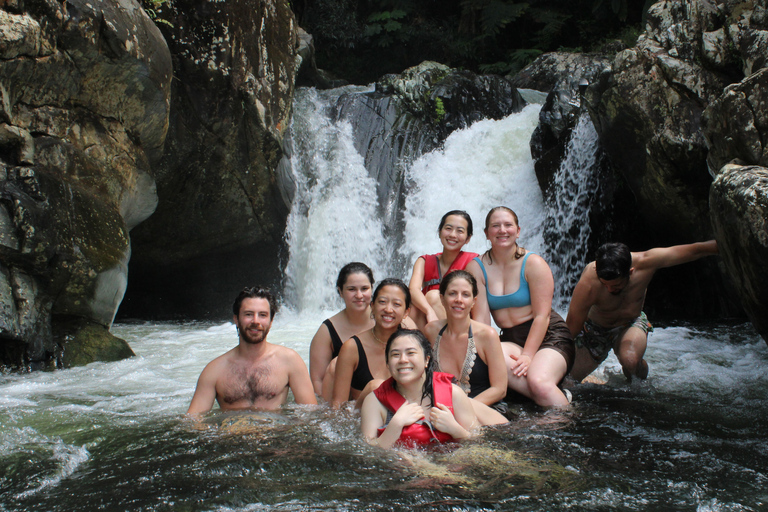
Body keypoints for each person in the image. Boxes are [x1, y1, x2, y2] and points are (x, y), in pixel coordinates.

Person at [466, 206, 574, 408]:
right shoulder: (476, 267)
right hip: (511, 338)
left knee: (538, 382)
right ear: (487, 233)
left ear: (518, 230)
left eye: (508, 225)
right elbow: (481, 321)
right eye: (495, 226)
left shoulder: (534, 263)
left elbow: (542, 316)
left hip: (549, 335)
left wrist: (528, 355)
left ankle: (567, 419)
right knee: (485, 355)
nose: (502, 230)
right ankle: (557, 396)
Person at [566, 240, 719, 382]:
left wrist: (722, 245)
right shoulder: (589, 281)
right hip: (595, 329)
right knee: (567, 380)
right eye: (604, 284)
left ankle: (638, 384)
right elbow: (573, 323)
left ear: (631, 272)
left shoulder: (646, 263)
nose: (609, 289)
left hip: (629, 324)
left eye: (616, 285)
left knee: (631, 361)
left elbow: (694, 250)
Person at [187, 287, 317, 415]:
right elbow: (193, 422)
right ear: (236, 319)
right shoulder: (214, 370)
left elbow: (311, 414)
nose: (255, 321)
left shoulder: (290, 361)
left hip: (276, 433)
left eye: (262, 315)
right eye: (248, 314)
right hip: (232, 434)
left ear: (271, 321)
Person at [360, 329, 478, 449]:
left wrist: (455, 429)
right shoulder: (374, 402)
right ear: (387, 364)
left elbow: (479, 442)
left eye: (411, 353)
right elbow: (367, 453)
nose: (403, 360)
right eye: (395, 354)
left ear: (426, 360)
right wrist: (395, 425)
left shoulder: (454, 394)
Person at [424, 270, 508, 424]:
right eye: (452, 294)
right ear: (442, 299)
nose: (459, 300)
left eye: (465, 295)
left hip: (485, 413)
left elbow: (500, 389)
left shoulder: (487, 335)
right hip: (443, 415)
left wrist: (460, 409)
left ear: (474, 301)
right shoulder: (431, 331)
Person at [331, 278, 412, 407]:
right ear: (372, 306)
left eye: (396, 304)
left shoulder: (414, 346)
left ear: (406, 312)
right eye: (382, 302)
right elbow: (337, 407)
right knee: (375, 386)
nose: (388, 309)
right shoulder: (352, 348)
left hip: (407, 418)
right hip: (362, 420)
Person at [309, 263, 375, 396]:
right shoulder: (326, 331)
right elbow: (318, 382)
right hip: (345, 406)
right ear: (340, 291)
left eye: (364, 288)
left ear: (372, 289)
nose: (359, 295)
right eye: (351, 289)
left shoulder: (388, 320)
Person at [408, 210, 479, 329]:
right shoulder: (424, 261)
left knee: (433, 296)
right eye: (448, 228)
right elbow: (413, 290)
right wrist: (429, 311)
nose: (452, 235)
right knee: (411, 307)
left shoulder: (474, 262)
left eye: (460, 231)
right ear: (440, 232)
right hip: (428, 321)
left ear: (468, 238)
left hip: (461, 324)